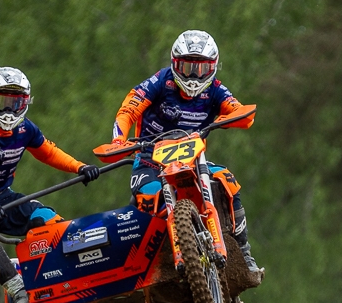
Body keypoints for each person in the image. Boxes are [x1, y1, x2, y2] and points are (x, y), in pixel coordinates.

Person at [0, 67, 101, 303]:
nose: (8, 112)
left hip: (3, 197)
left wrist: (80, 167)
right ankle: (18, 290)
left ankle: (75, 278)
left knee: (48, 219)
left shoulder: (26, 129)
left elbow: (48, 152)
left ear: (26, 102)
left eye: (15, 103)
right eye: (2, 102)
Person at [110, 29, 261, 274]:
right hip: (150, 160)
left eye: (201, 69)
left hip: (193, 160)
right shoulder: (159, 81)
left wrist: (231, 118)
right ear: (174, 64)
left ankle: (244, 253)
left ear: (213, 67)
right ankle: (142, 264)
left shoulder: (216, 90)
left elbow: (240, 111)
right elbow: (128, 110)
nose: (193, 76)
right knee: (147, 198)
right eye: (187, 67)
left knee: (228, 182)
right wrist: (119, 140)